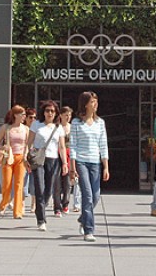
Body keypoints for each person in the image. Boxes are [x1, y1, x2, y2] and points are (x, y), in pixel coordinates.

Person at [69, 91, 109, 242]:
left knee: (96, 196)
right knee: (87, 194)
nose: (95, 104)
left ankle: (83, 218)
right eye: (92, 101)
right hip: (81, 161)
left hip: (95, 162)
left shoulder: (100, 123)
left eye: (96, 101)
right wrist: (72, 167)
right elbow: (73, 145)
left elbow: (103, 145)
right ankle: (89, 230)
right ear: (85, 104)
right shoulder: (76, 123)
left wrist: (106, 166)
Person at [27, 100, 68, 232]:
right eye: (47, 110)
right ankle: (41, 219)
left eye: (52, 111)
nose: (49, 113)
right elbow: (29, 142)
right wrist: (26, 157)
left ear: (56, 113)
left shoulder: (58, 127)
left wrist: (65, 163)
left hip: (53, 160)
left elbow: (61, 146)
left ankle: (40, 208)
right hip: (39, 159)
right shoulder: (36, 124)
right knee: (39, 187)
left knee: (49, 189)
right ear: (43, 112)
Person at [0, 105, 29, 219]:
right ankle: (3, 203)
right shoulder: (6, 127)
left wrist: (26, 155)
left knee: (19, 184)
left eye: (24, 114)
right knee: (7, 183)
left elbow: (28, 144)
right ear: (15, 115)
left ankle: (18, 211)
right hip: (8, 157)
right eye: (22, 114)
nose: (24, 116)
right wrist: (3, 147)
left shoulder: (25, 129)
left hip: (21, 158)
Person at [52, 105, 74, 215]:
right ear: (60, 115)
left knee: (67, 182)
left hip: (69, 155)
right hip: (56, 154)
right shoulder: (56, 127)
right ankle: (57, 206)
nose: (68, 117)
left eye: (69, 115)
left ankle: (65, 203)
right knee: (56, 182)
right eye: (66, 115)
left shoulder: (72, 127)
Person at [23, 107, 37, 214]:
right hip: (23, 157)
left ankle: (33, 204)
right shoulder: (22, 129)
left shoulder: (37, 129)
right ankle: (21, 204)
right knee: (23, 181)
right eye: (30, 117)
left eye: (34, 118)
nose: (33, 120)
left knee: (34, 182)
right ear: (26, 118)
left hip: (34, 157)